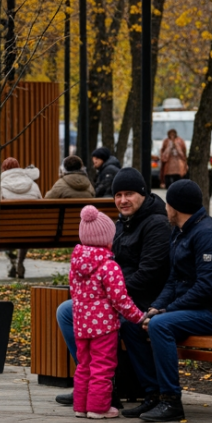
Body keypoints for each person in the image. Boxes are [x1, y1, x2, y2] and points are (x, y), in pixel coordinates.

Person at [118, 179, 212, 422]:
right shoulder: (180, 232)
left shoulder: (207, 235)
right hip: (193, 311)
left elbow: (207, 288)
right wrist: (154, 308)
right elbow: (173, 279)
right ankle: (151, 394)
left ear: (176, 207)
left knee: (160, 324)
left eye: (168, 204)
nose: (165, 209)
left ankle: (171, 401)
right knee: (132, 324)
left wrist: (166, 311)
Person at [55, 166, 172, 408]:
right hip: (114, 296)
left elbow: (149, 274)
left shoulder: (156, 224)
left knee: (119, 322)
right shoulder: (122, 222)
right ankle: (91, 382)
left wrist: (106, 292)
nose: (122, 200)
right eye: (118, 195)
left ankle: (104, 385)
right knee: (67, 311)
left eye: (129, 194)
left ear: (142, 193)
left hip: (142, 299)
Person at [70, 205, 146, 419]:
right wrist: (138, 317)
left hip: (81, 324)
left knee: (84, 365)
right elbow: (120, 299)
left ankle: (81, 406)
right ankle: (98, 408)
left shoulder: (76, 263)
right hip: (104, 326)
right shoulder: (108, 266)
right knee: (102, 367)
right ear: (107, 239)